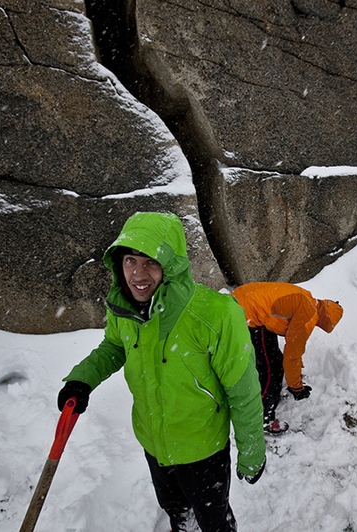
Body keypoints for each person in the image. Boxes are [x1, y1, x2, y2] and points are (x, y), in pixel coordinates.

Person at [57, 212, 266, 532]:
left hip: (203, 450)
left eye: (150, 261)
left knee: (213, 520)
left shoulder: (216, 313)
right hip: (153, 442)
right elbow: (114, 347)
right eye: (129, 260)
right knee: (176, 511)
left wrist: (251, 451)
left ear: (172, 264)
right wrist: (81, 379)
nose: (138, 274)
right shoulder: (124, 308)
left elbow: (244, 390)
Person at [232, 282, 343, 435]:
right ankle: (262, 419)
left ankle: (259, 390)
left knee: (271, 359)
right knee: (272, 370)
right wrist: (297, 387)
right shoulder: (309, 316)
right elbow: (292, 356)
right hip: (248, 315)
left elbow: (293, 348)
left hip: (240, 299)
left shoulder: (307, 298)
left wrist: (295, 373)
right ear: (326, 320)